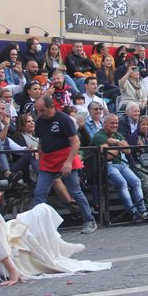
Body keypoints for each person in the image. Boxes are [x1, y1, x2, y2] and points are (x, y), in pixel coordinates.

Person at [0, 152, 111, 285]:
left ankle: (60, 248)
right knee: (42, 210)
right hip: (5, 262)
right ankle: (58, 250)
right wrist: (12, 271)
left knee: (31, 216)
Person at [32, 95, 97, 233]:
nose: (40, 113)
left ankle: (89, 220)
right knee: (40, 192)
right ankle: (35, 224)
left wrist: (68, 161)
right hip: (48, 160)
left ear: (51, 107)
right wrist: (40, 157)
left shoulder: (64, 119)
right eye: (38, 110)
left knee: (75, 191)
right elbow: (41, 141)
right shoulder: (40, 121)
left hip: (65, 157)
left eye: (42, 110)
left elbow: (76, 142)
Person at [91, 114, 148, 223]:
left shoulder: (118, 134)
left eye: (116, 123)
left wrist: (115, 143)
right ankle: (133, 212)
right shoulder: (99, 136)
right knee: (122, 183)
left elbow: (128, 150)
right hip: (106, 166)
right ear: (104, 123)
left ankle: (143, 211)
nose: (115, 125)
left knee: (136, 181)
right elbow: (109, 155)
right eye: (112, 123)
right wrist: (119, 145)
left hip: (121, 164)